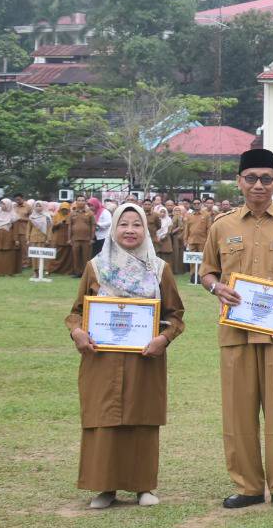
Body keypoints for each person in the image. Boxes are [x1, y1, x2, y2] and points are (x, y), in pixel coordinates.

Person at [201, 150, 273, 509]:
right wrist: (216, 288)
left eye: (266, 178)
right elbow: (207, 272)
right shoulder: (221, 226)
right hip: (235, 334)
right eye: (251, 178)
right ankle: (248, 486)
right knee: (238, 413)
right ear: (239, 182)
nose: (258, 185)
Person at [65, 203, 185, 509]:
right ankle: (104, 488)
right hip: (102, 359)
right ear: (113, 229)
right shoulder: (96, 267)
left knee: (141, 419)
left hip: (144, 359)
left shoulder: (159, 269)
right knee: (103, 419)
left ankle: (143, 487)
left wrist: (163, 338)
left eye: (137, 224)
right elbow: (76, 312)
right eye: (123, 224)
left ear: (146, 229)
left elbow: (175, 315)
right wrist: (77, 332)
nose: (130, 230)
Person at [0, 199, 22, 276]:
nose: (2, 206)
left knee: (9, 254)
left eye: (4, 204)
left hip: (9, 236)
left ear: (8, 205)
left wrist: (16, 239)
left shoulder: (14, 216)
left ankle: (9, 272)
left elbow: (16, 229)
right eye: (1, 204)